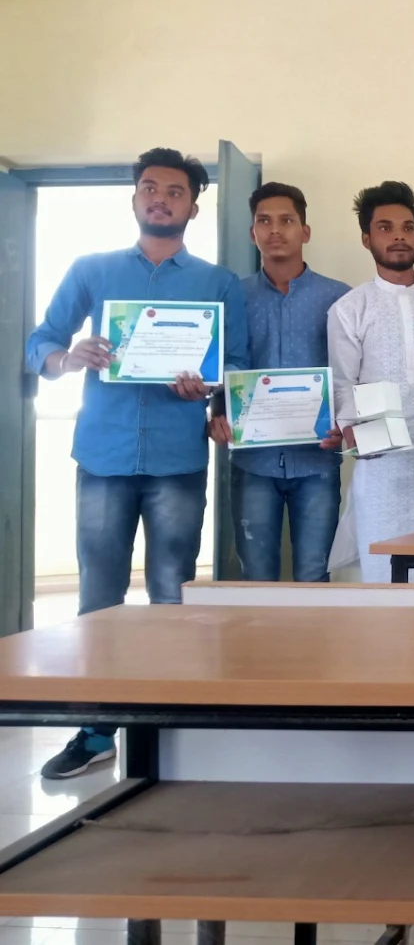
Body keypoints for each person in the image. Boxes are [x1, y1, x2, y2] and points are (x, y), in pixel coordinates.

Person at [25, 147, 248, 779]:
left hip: (178, 459)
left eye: (175, 192)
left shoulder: (218, 284)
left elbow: (236, 366)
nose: (160, 199)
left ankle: (164, 725)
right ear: (134, 199)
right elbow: (40, 342)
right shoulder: (91, 270)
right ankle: (96, 731)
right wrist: (69, 358)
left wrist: (208, 388)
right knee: (99, 597)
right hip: (104, 454)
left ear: (193, 208)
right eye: (150, 188)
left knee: (172, 592)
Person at [327, 181, 414, 582]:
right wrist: (350, 431)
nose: (399, 237)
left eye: (408, 227)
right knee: (386, 580)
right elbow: (343, 385)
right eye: (385, 228)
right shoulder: (350, 308)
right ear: (366, 239)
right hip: (382, 472)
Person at [208, 183, 350, 582]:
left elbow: (355, 373)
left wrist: (348, 423)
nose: (275, 230)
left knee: (314, 574)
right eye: (264, 221)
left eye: (286, 220)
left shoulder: (340, 298)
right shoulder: (234, 296)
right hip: (253, 460)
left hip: (317, 459)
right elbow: (219, 365)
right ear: (252, 232)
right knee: (256, 576)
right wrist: (215, 413)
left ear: (305, 231)